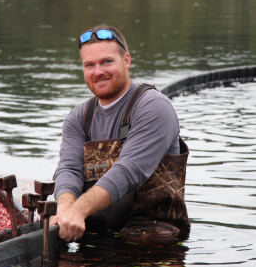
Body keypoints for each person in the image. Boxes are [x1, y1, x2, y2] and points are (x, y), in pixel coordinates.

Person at [50, 25, 190, 242]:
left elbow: (128, 171)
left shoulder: (154, 107)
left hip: (154, 242)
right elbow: (69, 169)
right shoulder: (78, 118)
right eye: (89, 65)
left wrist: (78, 211)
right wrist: (65, 209)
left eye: (107, 62)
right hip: (94, 234)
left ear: (126, 61)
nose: (98, 72)